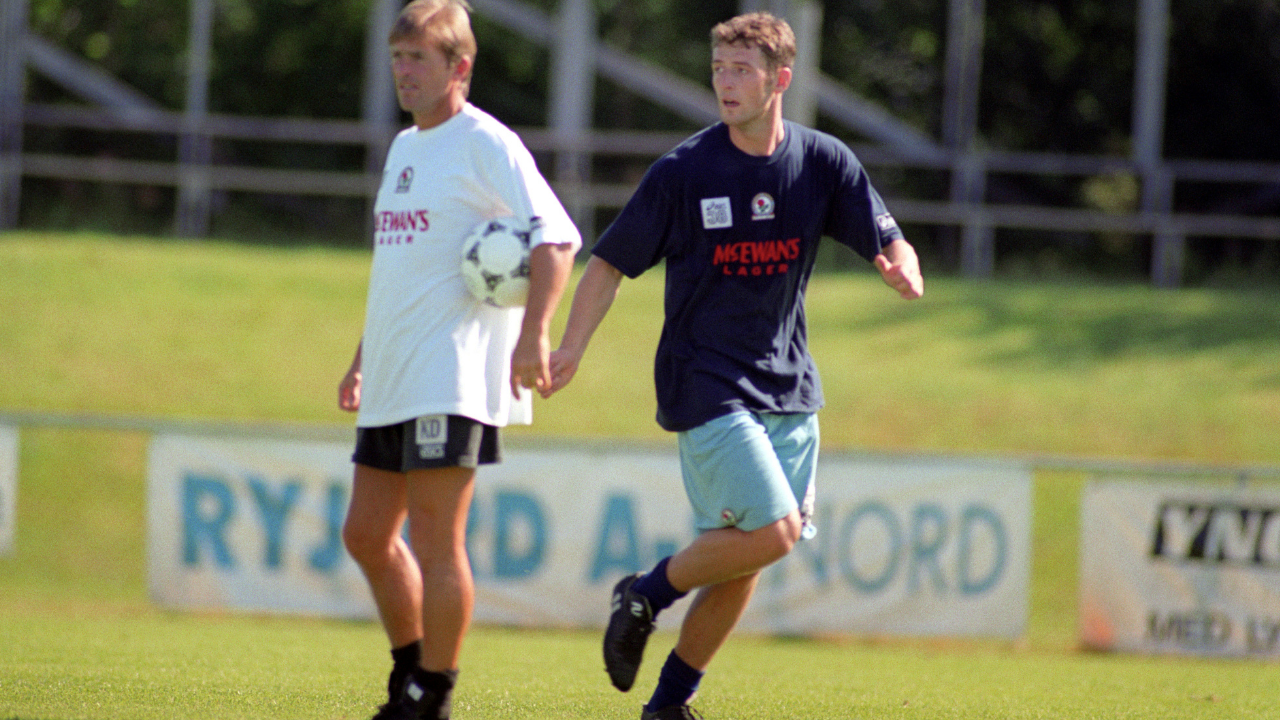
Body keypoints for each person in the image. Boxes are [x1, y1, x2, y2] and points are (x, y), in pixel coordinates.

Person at [541, 12, 923, 720]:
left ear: (780, 80)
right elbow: (608, 265)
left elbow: (894, 237)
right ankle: (645, 594)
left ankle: (668, 705)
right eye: (718, 68)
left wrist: (902, 269)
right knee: (773, 531)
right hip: (705, 383)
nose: (725, 82)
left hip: (791, 387)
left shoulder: (823, 161)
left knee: (747, 556)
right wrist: (570, 347)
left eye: (741, 69)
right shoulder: (686, 172)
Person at [336, 2, 580, 719]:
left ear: (459, 66)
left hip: (451, 376)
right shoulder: (405, 148)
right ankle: (411, 669)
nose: (403, 72)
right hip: (392, 371)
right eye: (397, 58)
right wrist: (361, 359)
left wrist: (535, 333)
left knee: (437, 539)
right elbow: (399, 268)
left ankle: (432, 695)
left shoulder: (486, 142)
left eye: (419, 59)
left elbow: (557, 239)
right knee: (365, 534)